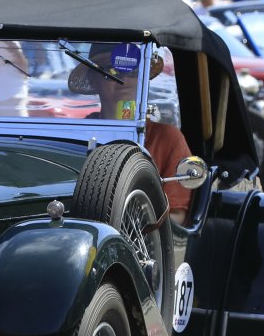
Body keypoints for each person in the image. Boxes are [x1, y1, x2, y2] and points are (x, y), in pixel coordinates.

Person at [70, 44, 193, 221]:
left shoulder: (167, 138)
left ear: (142, 78)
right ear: (93, 79)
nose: (124, 79)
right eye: (112, 71)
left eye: (133, 71)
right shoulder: (76, 136)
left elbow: (176, 215)